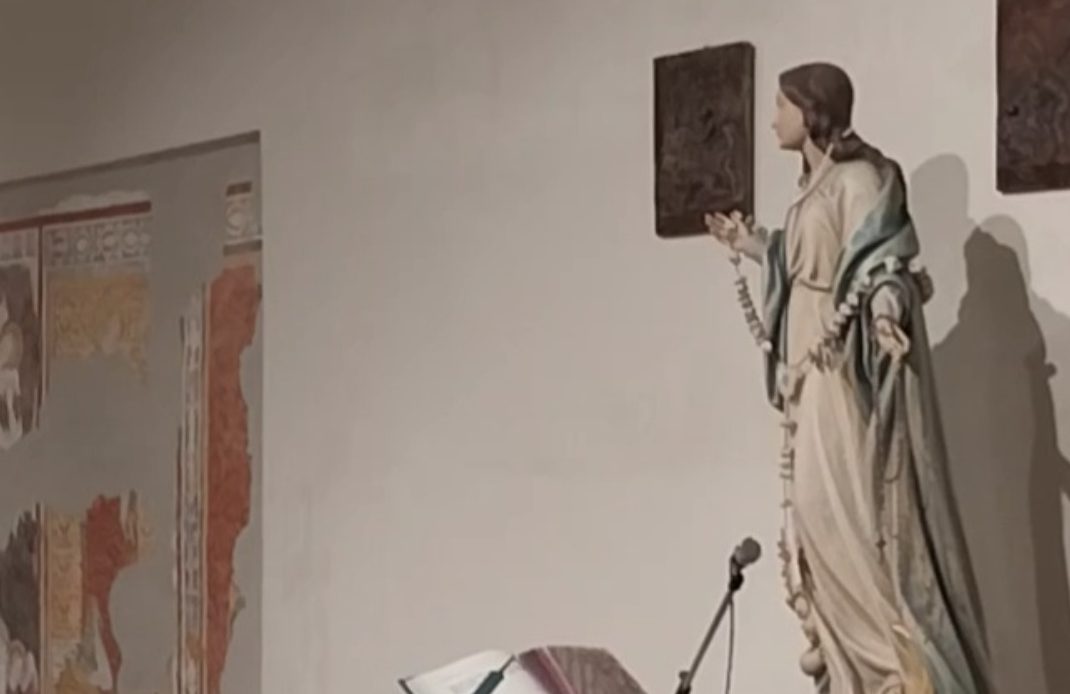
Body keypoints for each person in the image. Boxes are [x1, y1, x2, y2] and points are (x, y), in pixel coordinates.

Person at [705, 62, 993, 693]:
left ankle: (894, 670)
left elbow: (883, 264)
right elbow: (802, 264)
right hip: (807, 375)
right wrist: (754, 246)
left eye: (781, 106)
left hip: (839, 374)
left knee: (852, 522)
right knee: (813, 523)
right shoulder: (811, 188)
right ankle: (847, 670)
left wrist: (886, 313)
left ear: (812, 110)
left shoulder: (857, 181)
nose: (773, 119)